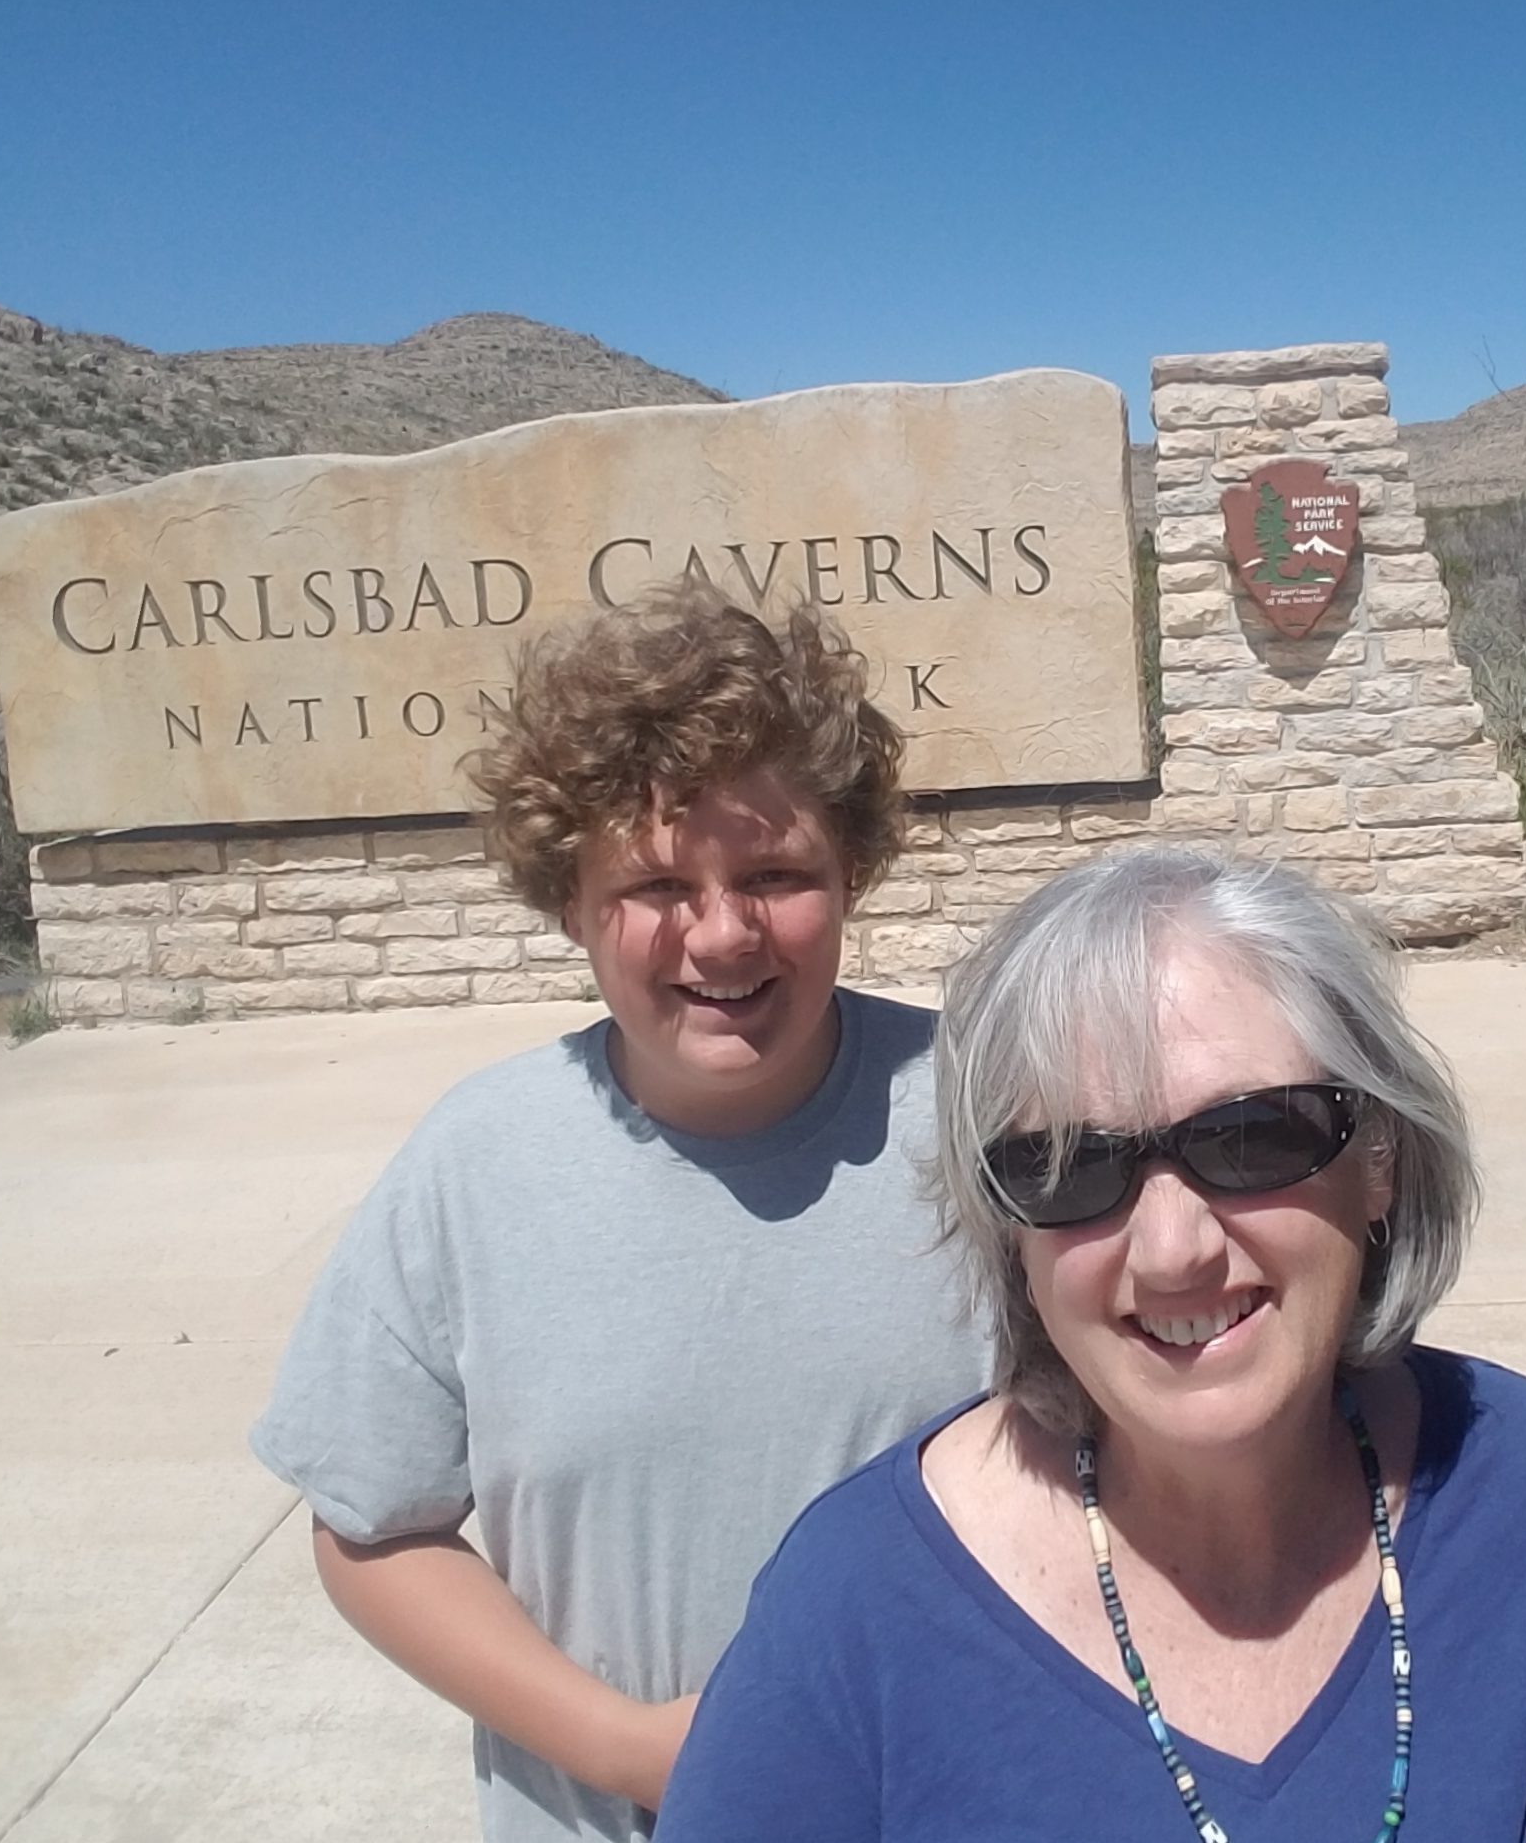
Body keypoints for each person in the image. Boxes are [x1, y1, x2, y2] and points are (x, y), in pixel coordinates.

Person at [250, 586, 992, 1843]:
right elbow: (374, 1529)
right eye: (654, 884)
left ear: (851, 870)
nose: (722, 934)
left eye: (776, 872)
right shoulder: (478, 1163)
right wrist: (633, 1749)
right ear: (569, 901)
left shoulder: (990, 1120)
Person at [656, 847, 1526, 1840]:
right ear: (1010, 1230)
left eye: (1254, 1136)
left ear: (1382, 1159)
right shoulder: (853, 1614)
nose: (1174, 1250)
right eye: (1070, 1169)